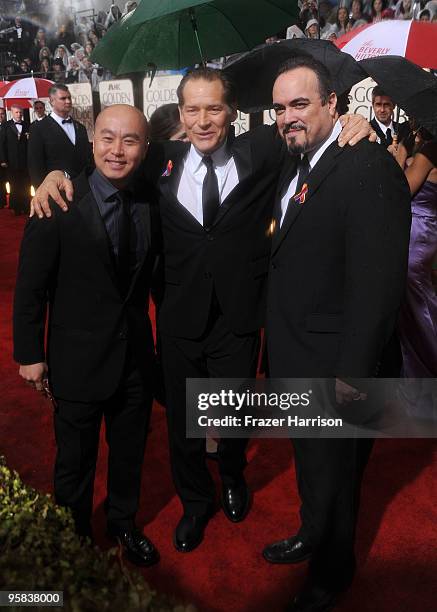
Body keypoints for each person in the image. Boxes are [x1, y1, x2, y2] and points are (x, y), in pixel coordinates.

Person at [30, 67, 373, 555]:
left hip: (238, 316)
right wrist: (56, 175)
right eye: (192, 109)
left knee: (233, 416)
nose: (203, 119)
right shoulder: (159, 161)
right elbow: (108, 164)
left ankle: (232, 475)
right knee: (184, 423)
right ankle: (195, 502)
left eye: (213, 108)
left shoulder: (263, 151)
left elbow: (310, 132)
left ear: (231, 112)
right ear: (181, 113)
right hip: (178, 317)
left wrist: (354, 123)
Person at [262, 56, 411, 611]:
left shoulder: (367, 165)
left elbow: (377, 284)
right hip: (297, 353)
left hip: (337, 364)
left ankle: (331, 573)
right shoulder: (295, 157)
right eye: (279, 108)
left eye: (300, 104)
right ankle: (311, 535)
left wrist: (353, 373)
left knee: (335, 474)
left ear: (333, 105)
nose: (287, 117)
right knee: (312, 464)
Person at [13, 104, 160, 567]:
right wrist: (30, 354)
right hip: (75, 359)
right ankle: (73, 538)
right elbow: (31, 286)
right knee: (74, 461)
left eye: (130, 140)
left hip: (135, 357)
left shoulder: (152, 197)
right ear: (92, 140)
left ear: (145, 148)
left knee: (129, 453)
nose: (117, 150)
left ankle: (123, 522)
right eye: (108, 138)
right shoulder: (57, 201)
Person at [395, 134, 437, 378]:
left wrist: (400, 157)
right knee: (419, 297)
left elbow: (402, 191)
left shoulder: (431, 149)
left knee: (416, 304)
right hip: (427, 230)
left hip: (416, 233)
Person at [28, 84, 92, 188]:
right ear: (52, 101)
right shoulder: (38, 128)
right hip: (56, 191)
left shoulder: (80, 128)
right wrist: (41, 192)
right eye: (63, 98)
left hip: (83, 189)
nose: (68, 101)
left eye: (69, 98)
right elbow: (35, 165)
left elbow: (87, 159)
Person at [0, 105, 30, 215]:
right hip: (11, 162)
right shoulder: (6, 125)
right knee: (14, 185)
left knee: (26, 184)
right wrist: (3, 160)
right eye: (17, 112)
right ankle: (16, 207)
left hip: (25, 161)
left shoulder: (27, 125)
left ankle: (26, 206)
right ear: (12, 113)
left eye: (20, 112)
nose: (19, 114)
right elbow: (1, 144)